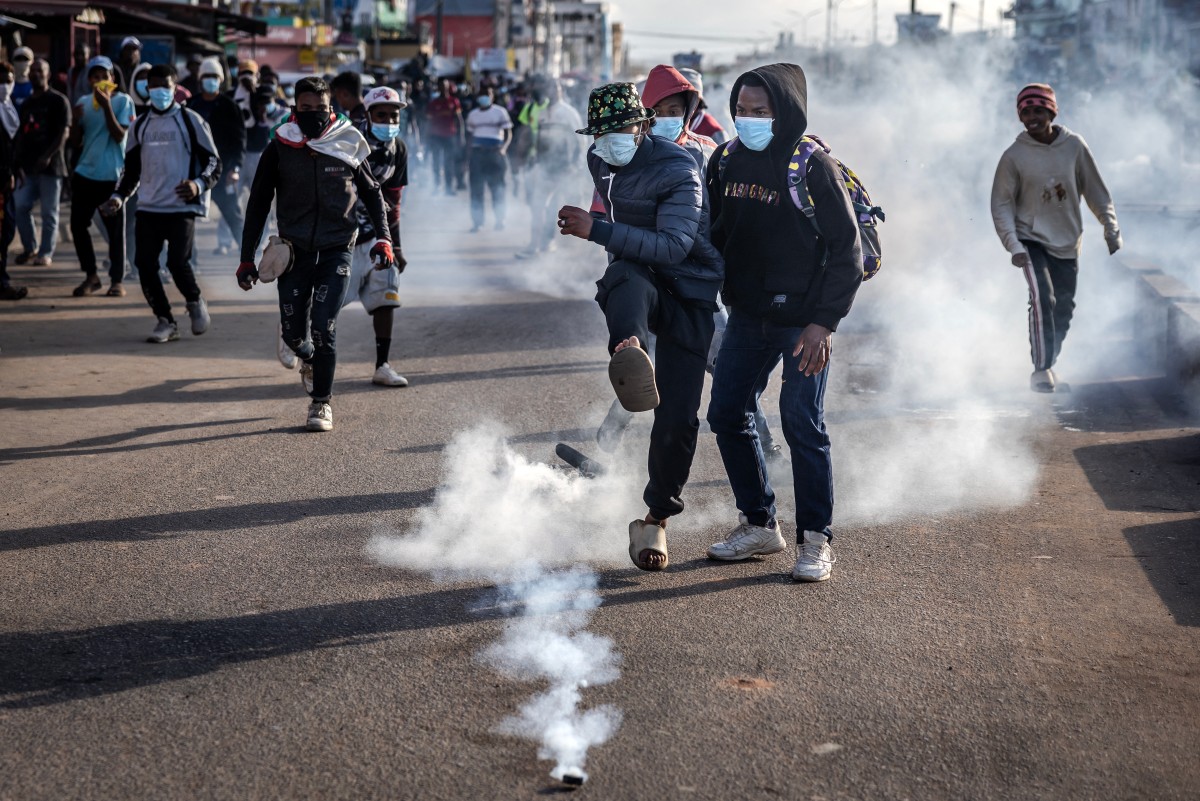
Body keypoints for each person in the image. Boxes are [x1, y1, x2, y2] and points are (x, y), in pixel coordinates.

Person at [704, 64, 862, 583]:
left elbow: (847, 252)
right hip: (749, 316)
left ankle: (815, 540)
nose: (747, 120)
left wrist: (824, 324)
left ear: (785, 111)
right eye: (740, 110)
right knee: (727, 413)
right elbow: (717, 236)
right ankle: (759, 524)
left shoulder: (812, 166)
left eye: (760, 111)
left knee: (801, 423)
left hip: (803, 323)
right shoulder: (725, 160)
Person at [558, 82, 723, 572]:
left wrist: (597, 229)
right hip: (641, 280)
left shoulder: (678, 168)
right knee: (624, 276)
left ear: (643, 126)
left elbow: (674, 246)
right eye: (601, 132)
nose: (609, 140)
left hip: (689, 290)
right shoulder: (599, 160)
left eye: (620, 129)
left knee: (679, 419)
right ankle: (629, 346)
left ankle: (655, 520)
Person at [237, 76, 395, 433]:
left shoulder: (348, 140)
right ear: (295, 109)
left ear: (331, 108)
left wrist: (384, 239)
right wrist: (247, 258)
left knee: (324, 327)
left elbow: (373, 194)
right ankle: (306, 356)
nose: (314, 115)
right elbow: (258, 204)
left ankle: (321, 402)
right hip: (293, 253)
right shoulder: (280, 145)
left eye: (320, 109)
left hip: (337, 250)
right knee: (296, 337)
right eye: (305, 108)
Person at [990, 83, 1122, 393]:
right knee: (1042, 298)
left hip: (1067, 240)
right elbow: (1001, 204)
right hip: (1030, 239)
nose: (1032, 118)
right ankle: (1040, 370)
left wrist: (1110, 226)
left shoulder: (1074, 146)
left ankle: (1049, 363)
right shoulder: (1013, 156)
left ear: (1051, 112)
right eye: (1026, 113)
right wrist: (1013, 244)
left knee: (1064, 307)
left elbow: (1095, 190)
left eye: (1038, 110)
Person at [102, 64, 220, 343]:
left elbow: (213, 162)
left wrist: (198, 184)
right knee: (144, 264)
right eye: (153, 86)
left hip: (181, 207)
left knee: (177, 263)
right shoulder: (140, 125)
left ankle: (194, 300)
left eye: (164, 86)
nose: (159, 91)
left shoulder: (191, 121)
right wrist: (118, 197)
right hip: (148, 207)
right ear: (147, 89)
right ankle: (166, 320)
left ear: (174, 87)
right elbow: (131, 169)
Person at [336, 85, 410, 386]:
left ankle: (383, 365)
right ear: (367, 115)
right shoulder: (349, 142)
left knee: (386, 297)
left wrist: (395, 245)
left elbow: (394, 200)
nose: (389, 122)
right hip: (345, 237)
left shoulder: (398, 149)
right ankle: (297, 335)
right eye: (382, 115)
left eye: (394, 116)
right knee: (330, 303)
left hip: (378, 237)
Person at [68, 55, 134, 297]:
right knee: (77, 226)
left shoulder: (123, 101)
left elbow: (119, 136)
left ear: (112, 78)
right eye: (95, 77)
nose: (99, 80)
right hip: (85, 172)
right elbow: (75, 142)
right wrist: (75, 121)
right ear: (89, 81)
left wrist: (106, 106)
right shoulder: (83, 102)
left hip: (112, 175)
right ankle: (91, 276)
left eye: (103, 76)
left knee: (115, 231)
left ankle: (117, 280)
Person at [12, 58, 70, 268]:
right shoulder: (27, 104)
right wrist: (17, 164)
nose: (36, 74)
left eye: (40, 70)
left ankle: (45, 253)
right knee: (20, 206)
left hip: (52, 168)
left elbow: (64, 132)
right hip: (28, 168)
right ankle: (30, 248)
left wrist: (48, 155)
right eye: (33, 70)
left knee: (49, 213)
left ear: (48, 74)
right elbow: (21, 135)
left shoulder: (58, 100)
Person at [515, 78, 581, 258]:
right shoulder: (541, 113)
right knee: (538, 206)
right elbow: (536, 138)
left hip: (564, 168)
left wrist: (576, 165)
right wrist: (533, 159)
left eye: (555, 88)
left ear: (560, 90)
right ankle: (534, 244)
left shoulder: (569, 113)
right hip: (544, 167)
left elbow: (580, 141)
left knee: (557, 207)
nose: (551, 91)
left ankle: (549, 242)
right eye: (548, 88)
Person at [186, 57, 244, 258]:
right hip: (194, 171)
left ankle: (248, 257)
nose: (210, 80)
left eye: (214, 76)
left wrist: (235, 168)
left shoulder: (229, 106)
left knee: (233, 214)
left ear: (220, 79)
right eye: (206, 76)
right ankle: (190, 261)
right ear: (200, 79)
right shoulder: (191, 105)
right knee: (187, 219)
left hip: (223, 171)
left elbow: (239, 140)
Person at [464, 87, 511, 232]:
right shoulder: (473, 115)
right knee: (476, 190)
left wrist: (503, 148)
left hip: (495, 154)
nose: (484, 97)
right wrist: (467, 157)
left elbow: (508, 133)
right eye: (481, 95)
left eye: (487, 94)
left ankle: (500, 220)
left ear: (492, 96)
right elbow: (470, 137)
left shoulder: (500, 112)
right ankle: (477, 223)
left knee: (497, 189)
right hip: (477, 155)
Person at [0, 61, 26, 300]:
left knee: (7, 230)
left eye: (8, 81)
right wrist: (7, 172)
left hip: (8, 181)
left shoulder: (8, 108)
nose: (5, 86)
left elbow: (12, 146)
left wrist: (16, 170)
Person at [425, 78, 463, 195]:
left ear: (448, 87)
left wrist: (461, 136)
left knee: (448, 162)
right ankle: (437, 186)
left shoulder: (454, 101)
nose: (443, 88)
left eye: (445, 86)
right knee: (436, 162)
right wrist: (427, 137)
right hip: (435, 136)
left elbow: (459, 120)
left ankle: (449, 187)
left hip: (449, 136)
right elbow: (428, 121)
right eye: (441, 86)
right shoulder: (433, 103)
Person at [677, 68, 727, 145]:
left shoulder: (713, 132)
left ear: (698, 99)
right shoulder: (674, 124)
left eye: (686, 96)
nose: (681, 102)